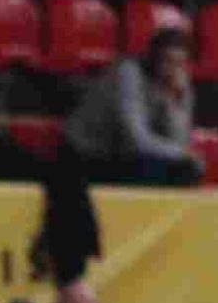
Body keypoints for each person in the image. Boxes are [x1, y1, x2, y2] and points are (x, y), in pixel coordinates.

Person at [63, 27, 200, 188]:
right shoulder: (128, 73)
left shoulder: (179, 86)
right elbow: (136, 140)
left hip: (125, 156)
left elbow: (179, 142)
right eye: (167, 61)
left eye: (179, 63)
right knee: (172, 168)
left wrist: (175, 101)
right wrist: (182, 153)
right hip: (89, 154)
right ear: (153, 59)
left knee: (186, 169)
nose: (172, 70)